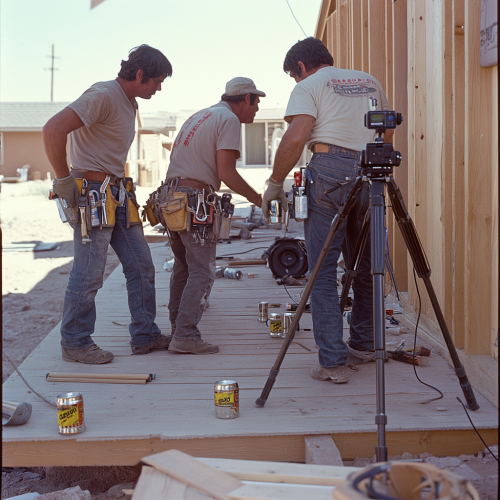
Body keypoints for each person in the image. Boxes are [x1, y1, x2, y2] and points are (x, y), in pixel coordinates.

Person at [262, 38, 393, 384]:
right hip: (371, 169)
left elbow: (295, 137)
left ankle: (332, 362)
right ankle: (365, 345)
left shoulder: (310, 85)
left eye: (294, 76)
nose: (296, 82)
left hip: (330, 170)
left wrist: (275, 183)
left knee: (321, 271)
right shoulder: (369, 80)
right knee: (366, 266)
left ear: (301, 68)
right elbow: (387, 130)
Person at [43, 44, 173, 364]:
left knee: (141, 265)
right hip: (91, 192)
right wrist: (63, 180)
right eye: (156, 81)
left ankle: (145, 335)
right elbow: (53, 129)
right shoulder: (103, 93)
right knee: (89, 272)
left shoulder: (129, 103)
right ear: (140, 74)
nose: (159, 88)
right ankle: (74, 341)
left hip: (116, 192)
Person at [165, 77, 264, 355]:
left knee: (183, 266)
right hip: (194, 200)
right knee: (203, 269)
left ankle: (178, 329)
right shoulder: (229, 120)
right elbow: (227, 173)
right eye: (256, 102)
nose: (257, 109)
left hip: (172, 198)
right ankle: (185, 335)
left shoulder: (202, 114)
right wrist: (259, 199)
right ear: (246, 99)